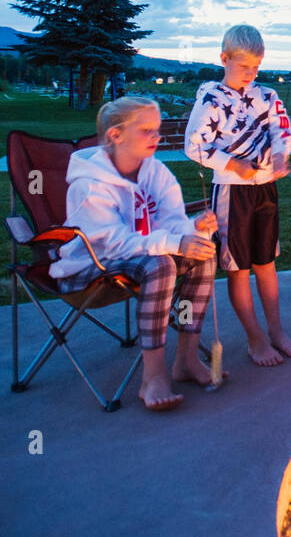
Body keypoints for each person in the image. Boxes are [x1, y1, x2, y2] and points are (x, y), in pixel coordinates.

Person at [49, 97, 217, 412]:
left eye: (157, 129)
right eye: (146, 131)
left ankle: (186, 358)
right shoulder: (89, 184)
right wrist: (173, 243)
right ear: (115, 135)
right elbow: (112, 243)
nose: (157, 136)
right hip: (88, 269)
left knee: (203, 255)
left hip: (138, 260)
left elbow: (172, 224)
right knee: (161, 264)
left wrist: (195, 231)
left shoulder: (155, 172)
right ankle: (153, 377)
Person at [184, 24, 291, 366]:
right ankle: (256, 340)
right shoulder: (211, 100)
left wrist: (281, 154)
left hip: (266, 190)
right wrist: (232, 164)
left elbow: (282, 129)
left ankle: (277, 331)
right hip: (232, 194)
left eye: (257, 66)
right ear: (224, 59)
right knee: (239, 269)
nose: (251, 73)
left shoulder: (267, 96)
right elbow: (194, 146)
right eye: (244, 65)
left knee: (266, 263)